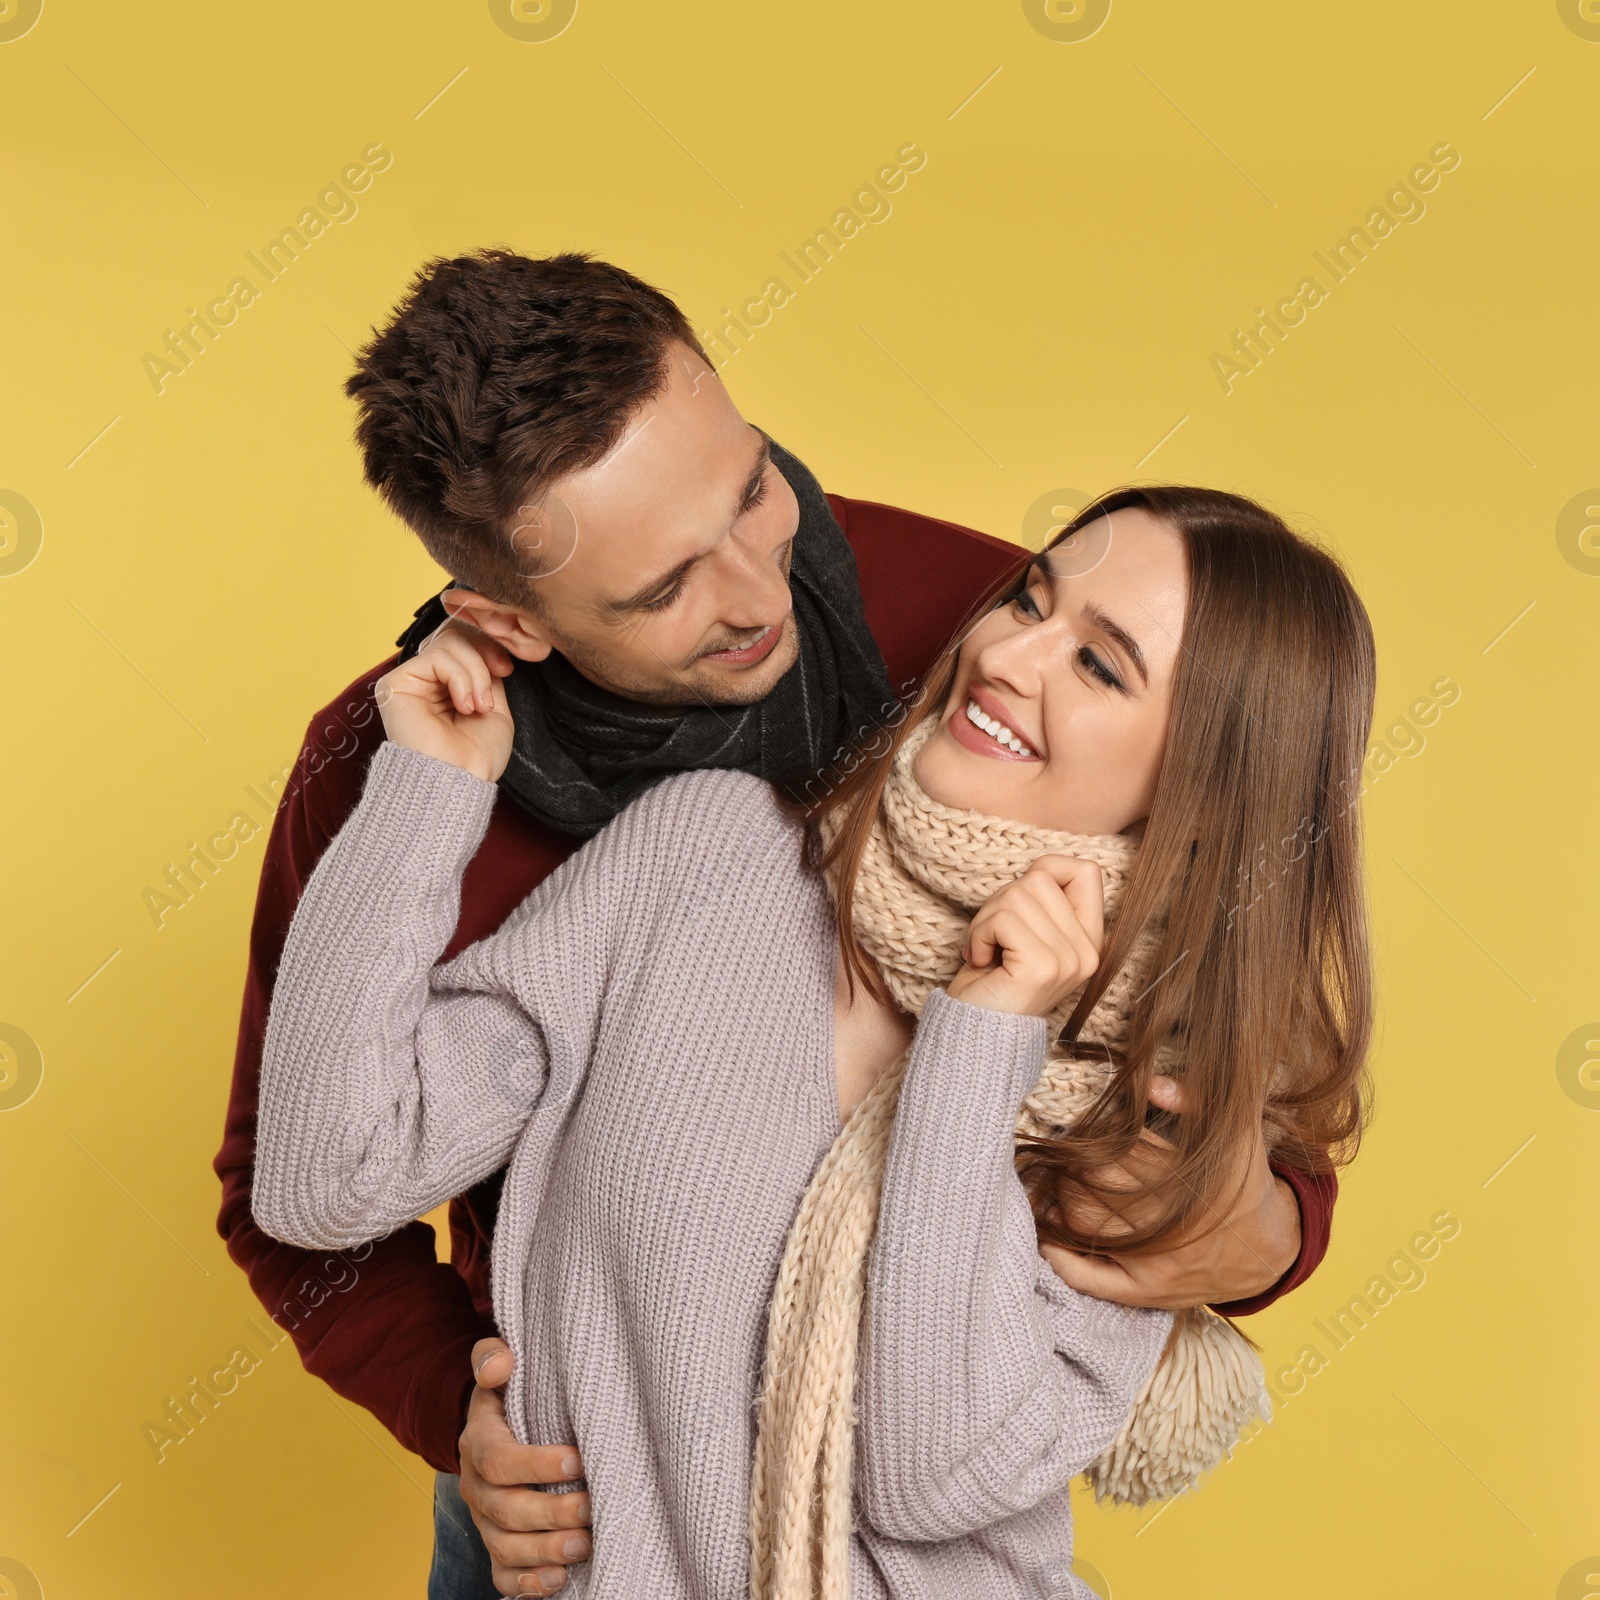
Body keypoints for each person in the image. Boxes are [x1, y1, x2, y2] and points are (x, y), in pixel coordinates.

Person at [213, 250, 1336, 1597]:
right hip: (577, 1502)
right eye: (666, 586)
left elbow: (1231, 1045)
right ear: (509, 617)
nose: (758, 592)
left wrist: (1256, 1224)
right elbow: (303, 1189)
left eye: (755, 490)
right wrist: (456, 1404)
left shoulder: (976, 627)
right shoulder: (419, 775)